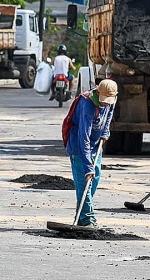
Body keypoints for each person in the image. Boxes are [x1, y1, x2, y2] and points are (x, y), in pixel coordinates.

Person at [65, 79, 118, 228]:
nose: (106, 103)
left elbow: (108, 116)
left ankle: (81, 217)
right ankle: (88, 220)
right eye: (104, 101)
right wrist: (88, 167)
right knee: (85, 184)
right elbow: (84, 137)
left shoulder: (111, 100)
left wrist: (106, 132)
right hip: (79, 147)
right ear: (98, 94)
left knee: (93, 182)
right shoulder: (87, 104)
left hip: (96, 145)